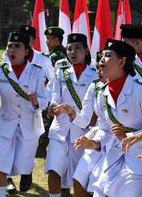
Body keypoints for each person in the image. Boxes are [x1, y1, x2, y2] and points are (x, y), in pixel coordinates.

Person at [0, 32, 49, 197]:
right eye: (9, 46)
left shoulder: (37, 72)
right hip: (6, 124)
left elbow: (44, 99)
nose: (12, 49)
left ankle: (27, 171)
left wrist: (36, 102)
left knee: (22, 164)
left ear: (26, 51)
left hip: (28, 125)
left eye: (17, 46)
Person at [88, 39, 142, 197]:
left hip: (139, 162)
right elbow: (104, 129)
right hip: (112, 159)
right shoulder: (101, 93)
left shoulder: (141, 90)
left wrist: (134, 136)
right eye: (101, 56)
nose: (101, 60)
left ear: (121, 62)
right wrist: (94, 142)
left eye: (107, 55)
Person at [3, 25, 54, 194]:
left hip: (31, 110)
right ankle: (8, 179)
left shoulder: (43, 60)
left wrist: (42, 101)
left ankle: (27, 172)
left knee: (27, 147)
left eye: (25, 38)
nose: (17, 44)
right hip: (11, 110)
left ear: (32, 41)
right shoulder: (7, 55)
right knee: (8, 147)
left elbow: (52, 82)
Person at [45, 33, 97, 197]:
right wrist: (54, 107)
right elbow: (54, 95)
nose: (73, 52)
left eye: (78, 48)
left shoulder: (95, 74)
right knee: (53, 169)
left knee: (80, 177)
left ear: (86, 51)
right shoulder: (61, 72)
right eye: (70, 49)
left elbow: (97, 103)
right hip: (60, 127)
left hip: (82, 130)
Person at [53, 51, 106, 196]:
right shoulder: (94, 87)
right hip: (98, 138)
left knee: (102, 186)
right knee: (79, 179)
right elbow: (84, 120)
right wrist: (71, 113)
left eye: (104, 66)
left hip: (124, 145)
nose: (100, 71)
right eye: (98, 67)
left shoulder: (138, 88)